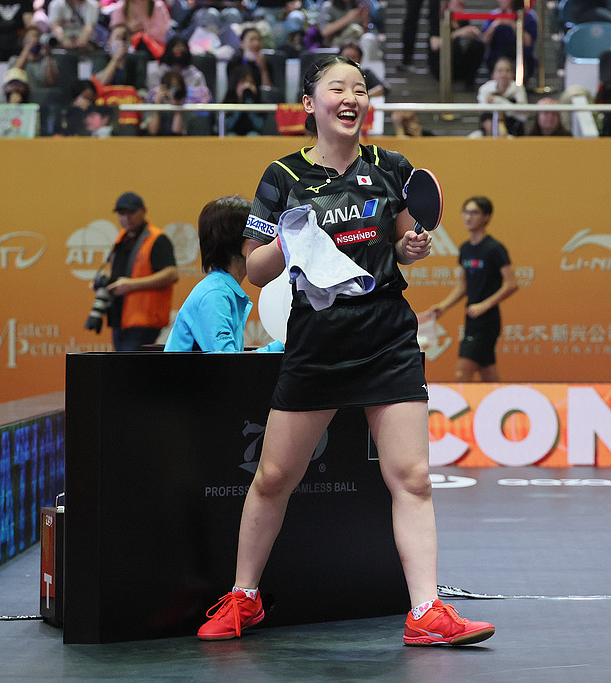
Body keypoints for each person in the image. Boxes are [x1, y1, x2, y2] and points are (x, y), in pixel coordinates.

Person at [196, 55, 495, 646]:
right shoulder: (282, 175)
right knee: (273, 476)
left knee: (413, 477)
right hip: (318, 341)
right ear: (311, 104)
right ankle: (244, 597)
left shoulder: (391, 167)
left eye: (360, 89)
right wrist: (291, 236)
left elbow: (404, 244)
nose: (352, 98)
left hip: (386, 335)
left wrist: (411, 247)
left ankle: (426, 610)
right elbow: (256, 270)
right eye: (338, 88)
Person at [165, 195, 284, 353]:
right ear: (246, 245)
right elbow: (228, 362)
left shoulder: (221, 290)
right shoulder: (215, 294)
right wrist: (284, 346)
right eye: (260, 237)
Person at [427, 196, 517, 381]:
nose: (468, 217)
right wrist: (443, 306)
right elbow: (463, 285)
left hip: (487, 321)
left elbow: (511, 283)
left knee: (462, 373)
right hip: (471, 318)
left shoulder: (494, 248)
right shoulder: (465, 248)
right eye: (466, 212)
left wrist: (484, 305)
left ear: (486, 217)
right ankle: (501, 400)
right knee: (488, 374)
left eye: (474, 212)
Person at [94, 191, 179, 351]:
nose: (126, 218)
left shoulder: (157, 239)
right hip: (120, 318)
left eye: (131, 212)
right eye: (122, 213)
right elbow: (118, 270)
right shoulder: (122, 238)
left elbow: (172, 274)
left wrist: (131, 285)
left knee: (129, 364)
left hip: (143, 319)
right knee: (122, 364)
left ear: (143, 211)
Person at [427, 0, 485, 90]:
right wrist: (458, 33)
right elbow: (435, 45)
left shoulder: (463, 21)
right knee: (455, 45)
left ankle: (469, 82)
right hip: (442, 64)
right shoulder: (439, 20)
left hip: (461, 63)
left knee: (477, 45)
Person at [481, 0, 537, 81]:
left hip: (519, 57)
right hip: (496, 56)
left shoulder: (527, 16)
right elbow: (484, 40)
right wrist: (494, 26)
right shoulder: (494, 15)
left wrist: (512, 24)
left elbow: (528, 42)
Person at [477, 56, 527, 136]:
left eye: (507, 71)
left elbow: (523, 116)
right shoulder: (485, 89)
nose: (503, 74)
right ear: (493, 75)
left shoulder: (519, 88)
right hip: (488, 128)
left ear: (512, 75)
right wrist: (511, 108)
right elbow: (484, 109)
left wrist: (497, 100)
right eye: (500, 71)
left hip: (513, 128)